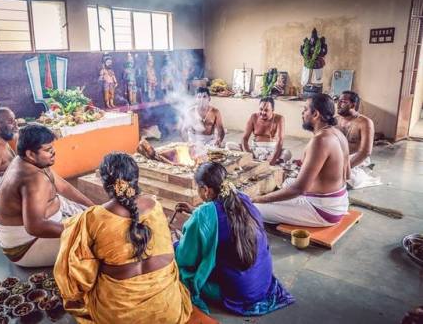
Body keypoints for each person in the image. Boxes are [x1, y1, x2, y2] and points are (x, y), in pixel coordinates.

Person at [54, 153, 192, 323]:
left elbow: (77, 277)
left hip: (120, 315)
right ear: (136, 179)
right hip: (168, 310)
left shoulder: (92, 218)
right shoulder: (155, 206)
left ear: (105, 184)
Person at [174, 162, 294, 316]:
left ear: (205, 190)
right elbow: (226, 218)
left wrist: (176, 243)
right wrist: (194, 211)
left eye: (198, 188)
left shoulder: (204, 214)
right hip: (262, 282)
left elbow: (186, 258)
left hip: (238, 293)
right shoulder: (242, 199)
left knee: (182, 272)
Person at [0, 124, 93, 267]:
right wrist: (77, 231)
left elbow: (64, 187)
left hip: (33, 232)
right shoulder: (33, 179)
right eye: (48, 150)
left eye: (52, 147)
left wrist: (94, 208)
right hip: (26, 247)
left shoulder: (29, 161)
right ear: (30, 154)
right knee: (100, 241)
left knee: (95, 218)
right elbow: (35, 227)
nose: (54, 152)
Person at [252, 94, 350, 227]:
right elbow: (347, 175)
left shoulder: (320, 141)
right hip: (340, 202)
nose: (302, 113)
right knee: (287, 183)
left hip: (323, 210)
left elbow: (298, 189)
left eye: (305, 109)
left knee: (252, 208)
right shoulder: (338, 133)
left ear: (315, 114)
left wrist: (258, 199)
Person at [336, 91, 381, 189]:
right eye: (338, 101)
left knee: (349, 180)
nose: (338, 104)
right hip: (339, 157)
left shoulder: (365, 123)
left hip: (356, 160)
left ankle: (363, 171)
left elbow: (365, 152)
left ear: (353, 104)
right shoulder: (336, 119)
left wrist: (346, 167)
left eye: (343, 102)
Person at [240, 97, 291, 165]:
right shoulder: (254, 117)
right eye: (261, 109)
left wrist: (273, 158)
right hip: (255, 150)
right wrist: (249, 154)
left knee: (287, 153)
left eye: (266, 110)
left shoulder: (279, 119)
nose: (263, 112)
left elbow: (280, 141)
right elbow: (244, 138)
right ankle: (260, 160)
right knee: (229, 145)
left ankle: (269, 161)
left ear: (272, 110)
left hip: (271, 150)